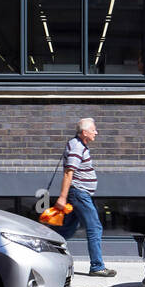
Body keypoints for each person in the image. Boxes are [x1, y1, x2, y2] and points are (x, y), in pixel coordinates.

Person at [55, 118, 116, 278]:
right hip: (79, 194)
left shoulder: (79, 145)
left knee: (65, 231)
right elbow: (69, 173)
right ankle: (97, 266)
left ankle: (43, 250)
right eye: (94, 130)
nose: (96, 132)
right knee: (95, 228)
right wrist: (62, 197)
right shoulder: (76, 146)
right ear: (84, 132)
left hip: (78, 194)